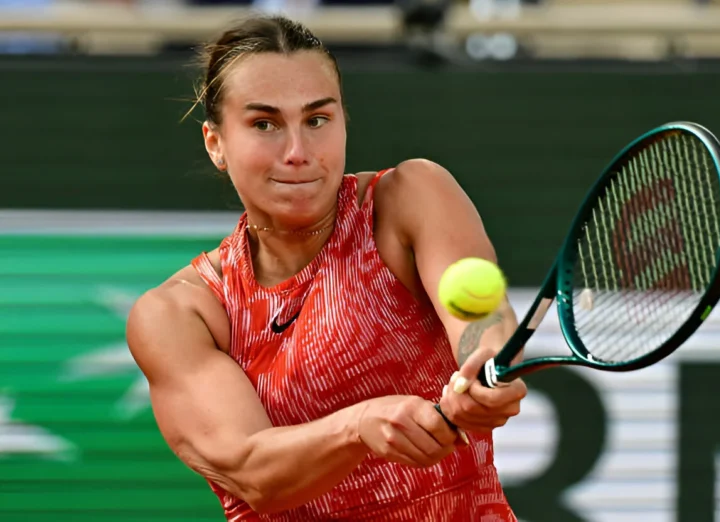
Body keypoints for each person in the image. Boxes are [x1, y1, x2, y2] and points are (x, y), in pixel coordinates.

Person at [126, 14, 528, 521]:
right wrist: (358, 426)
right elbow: (254, 475)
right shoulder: (180, 314)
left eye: (317, 120)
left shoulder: (412, 198)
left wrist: (486, 370)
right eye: (264, 124)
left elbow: (481, 321)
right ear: (215, 143)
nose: (298, 153)